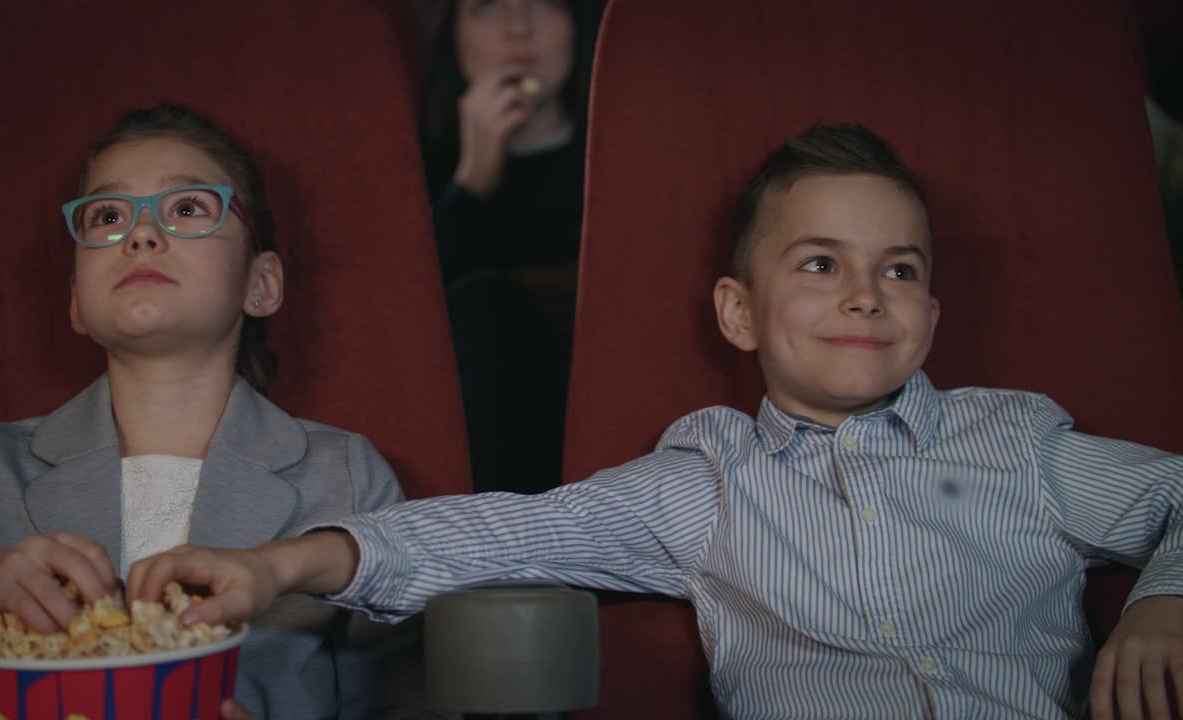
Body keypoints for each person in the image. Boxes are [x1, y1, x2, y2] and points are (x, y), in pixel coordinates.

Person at [130, 124, 1183, 720]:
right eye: (820, 263)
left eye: (898, 270)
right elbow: (501, 533)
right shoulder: (706, 481)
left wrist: (1163, 605)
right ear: (739, 313)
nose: (866, 294)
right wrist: (276, 566)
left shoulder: (1014, 442)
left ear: (931, 316)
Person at [0, 104, 420, 720]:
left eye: (188, 208)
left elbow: (403, 693)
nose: (141, 235)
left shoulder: (347, 477)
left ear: (260, 284)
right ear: (76, 300)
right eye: (107, 216)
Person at [417, 0, 602, 494]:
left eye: (544, 3)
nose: (518, 28)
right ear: (452, 33)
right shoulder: (406, 163)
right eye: (488, 7)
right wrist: (474, 179)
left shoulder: (625, 159)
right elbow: (409, 313)